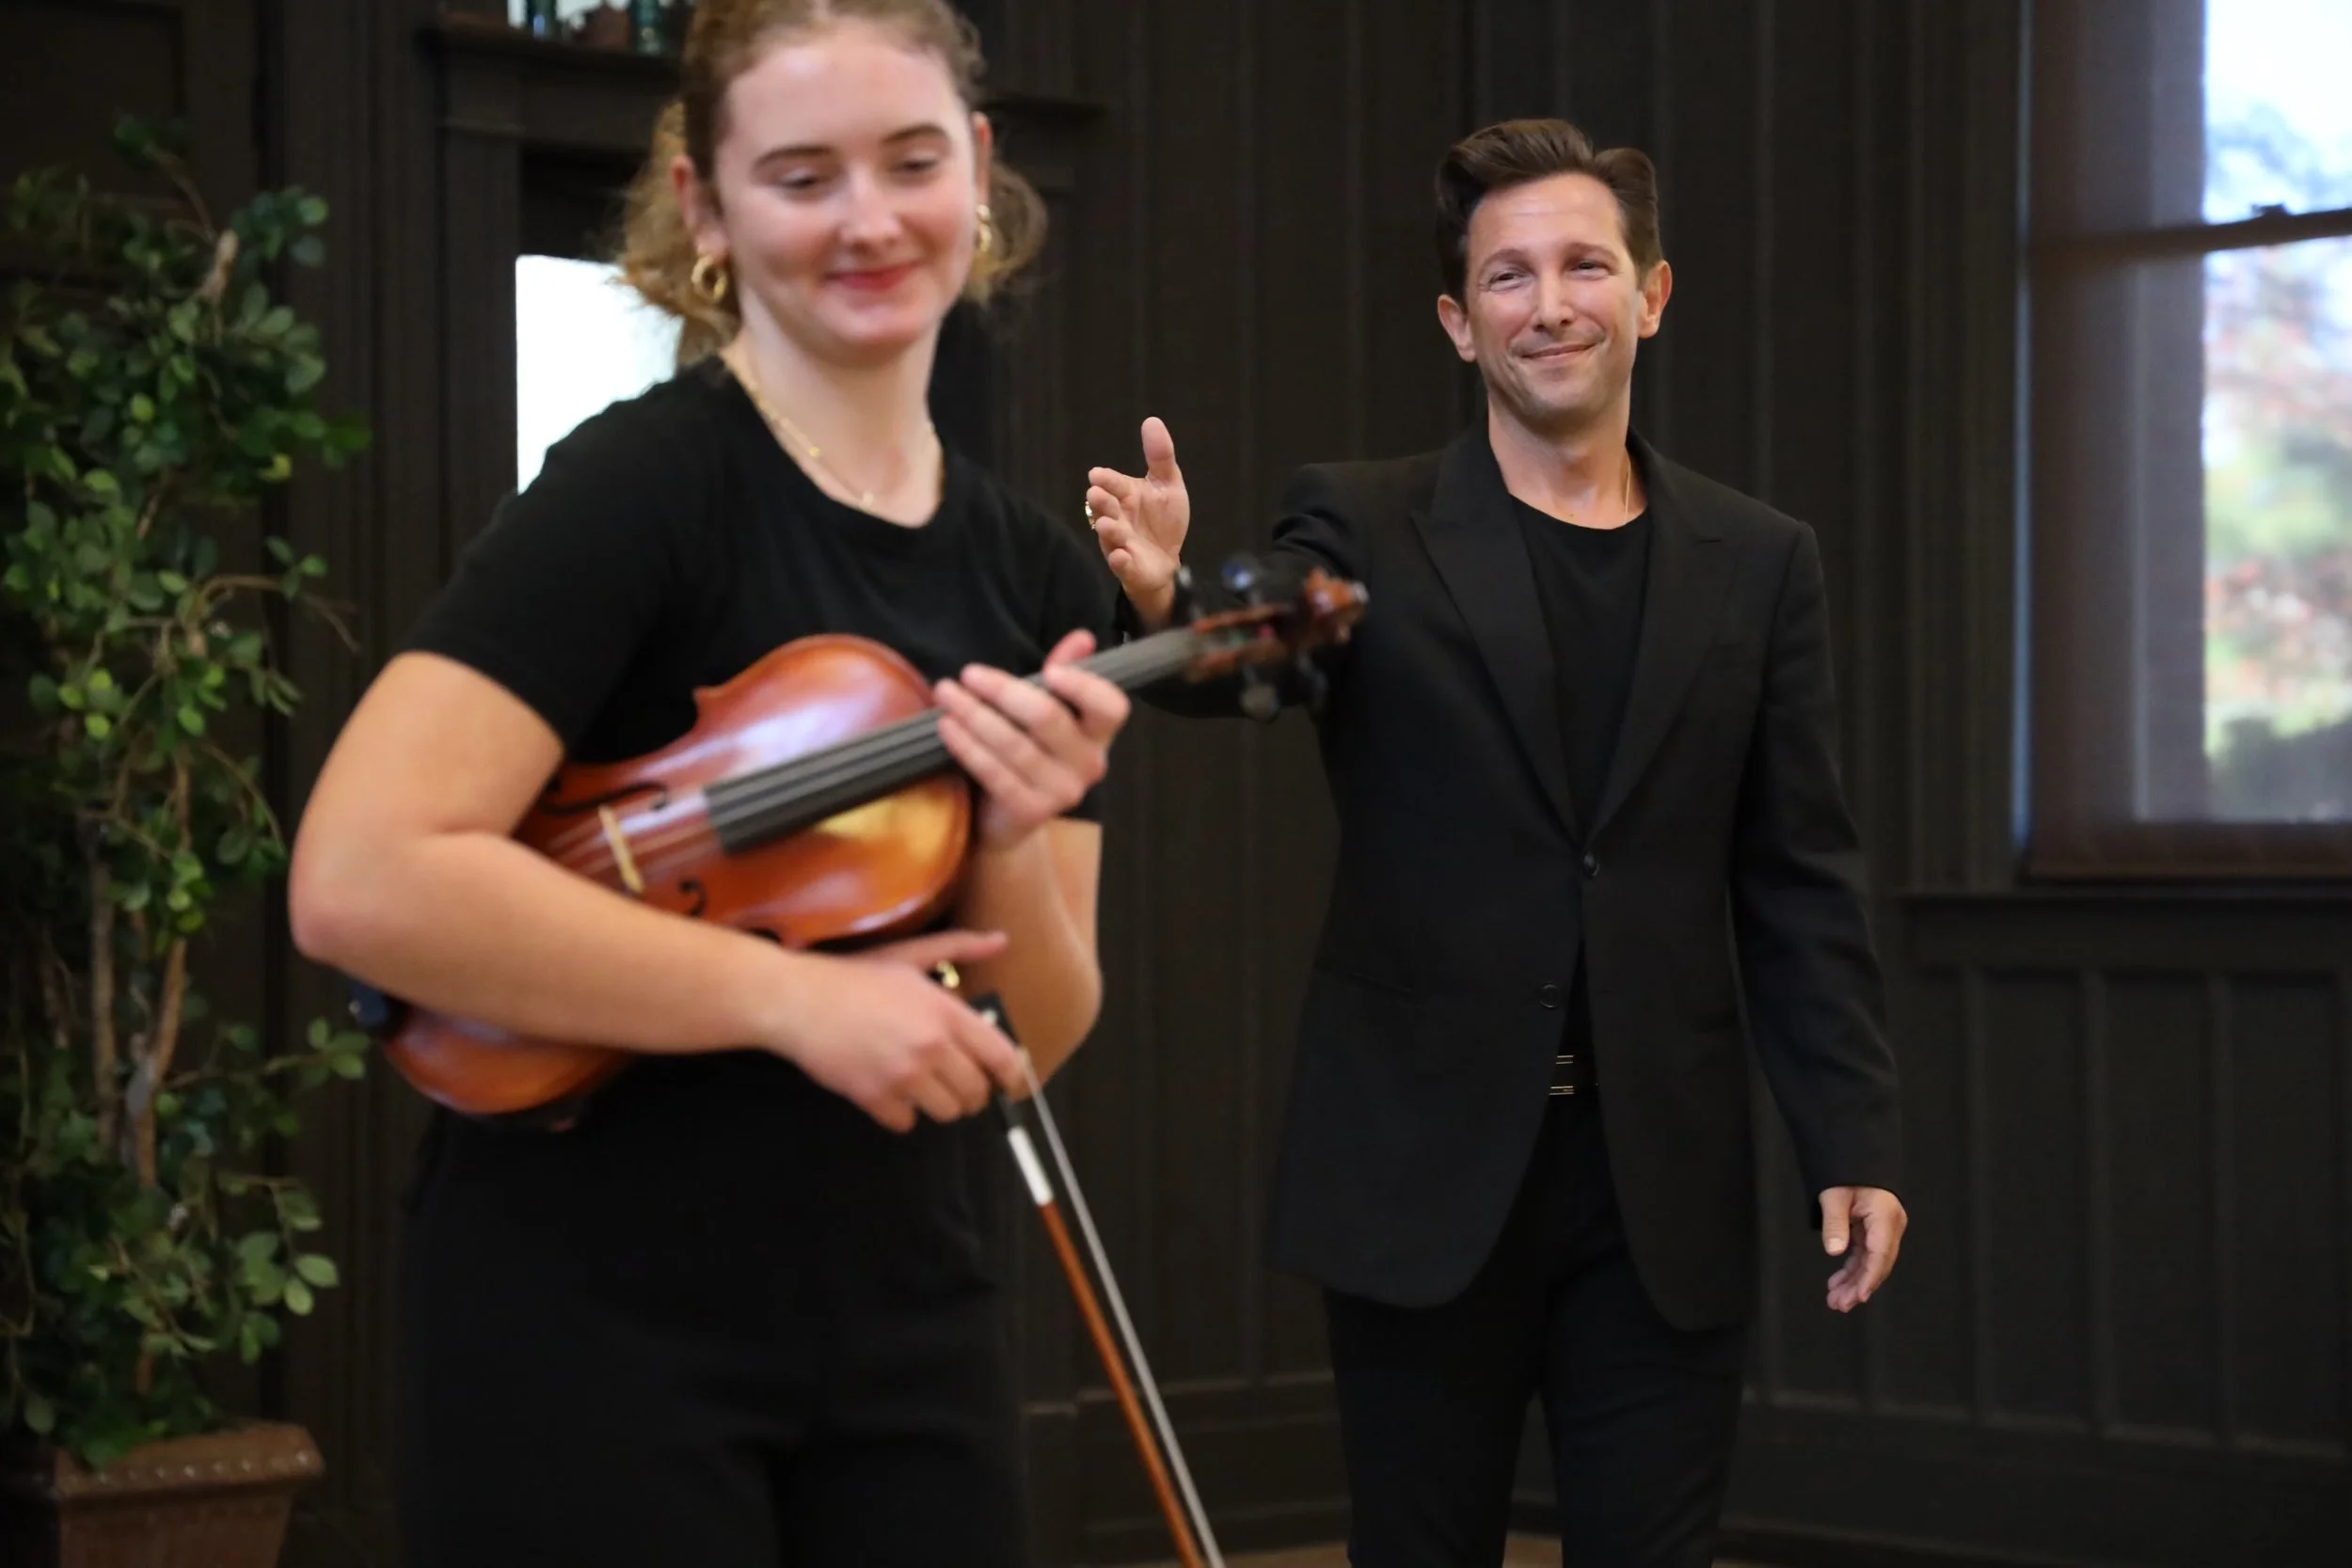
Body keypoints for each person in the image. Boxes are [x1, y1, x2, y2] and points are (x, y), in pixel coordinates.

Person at [288, 4, 1126, 1564]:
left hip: (905, 1311)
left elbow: (1034, 1041)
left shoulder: (1031, 566)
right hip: (590, 1310)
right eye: (802, 176)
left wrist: (1010, 835)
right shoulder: (642, 488)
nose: (869, 218)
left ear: (982, 172)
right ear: (705, 207)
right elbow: (362, 871)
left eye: (911, 160)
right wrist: (793, 999)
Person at [1085, 118, 1909, 1568]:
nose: (1553, 304)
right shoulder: (1367, 520)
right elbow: (1265, 657)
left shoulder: (1761, 560)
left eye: (1587, 263)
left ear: (1652, 294)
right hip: (1422, 1163)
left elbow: (1800, 872)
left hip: (1659, 1174)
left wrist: (1851, 1131)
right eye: (1510, 278)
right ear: (1462, 325)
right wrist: (1174, 599)